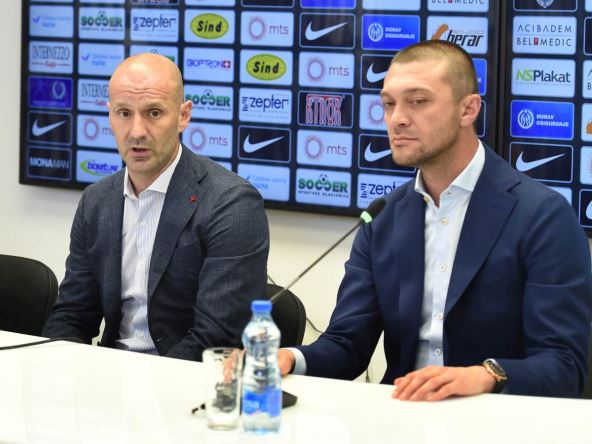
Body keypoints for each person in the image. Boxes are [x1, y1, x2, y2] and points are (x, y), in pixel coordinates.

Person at [279, 40, 592, 400]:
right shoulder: (383, 217)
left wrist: (485, 376)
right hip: (405, 412)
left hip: (499, 416)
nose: (397, 119)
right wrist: (289, 358)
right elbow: (347, 345)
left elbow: (564, 366)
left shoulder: (542, 215)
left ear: (468, 109)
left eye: (418, 101)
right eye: (389, 104)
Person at [42, 54, 269, 361]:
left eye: (154, 113)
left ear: (183, 116)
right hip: (110, 372)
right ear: (110, 115)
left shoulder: (232, 203)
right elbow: (72, 315)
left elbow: (217, 336)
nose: (136, 131)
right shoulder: (96, 200)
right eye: (124, 113)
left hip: (186, 377)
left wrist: (146, 384)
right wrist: (61, 371)